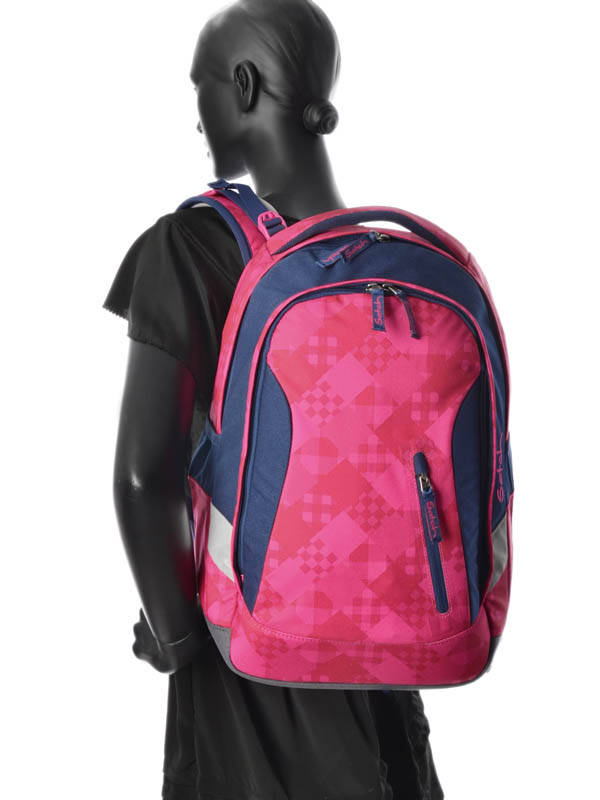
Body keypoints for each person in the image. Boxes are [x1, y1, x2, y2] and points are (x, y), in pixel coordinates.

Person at [103, 1, 444, 798]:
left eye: (202, 86)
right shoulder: (388, 265)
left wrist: (175, 638)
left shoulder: (191, 247)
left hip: (250, 659)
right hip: (383, 661)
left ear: (245, 86)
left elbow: (143, 479)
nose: (197, 116)